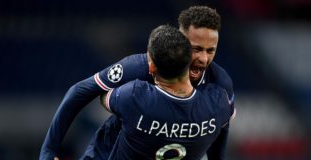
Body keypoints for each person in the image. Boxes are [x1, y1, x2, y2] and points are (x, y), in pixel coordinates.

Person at [40, 5, 235, 160]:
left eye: (211, 50)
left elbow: (221, 129)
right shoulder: (138, 68)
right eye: (197, 48)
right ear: (180, 40)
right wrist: (48, 151)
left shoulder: (219, 83)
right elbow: (79, 91)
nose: (203, 58)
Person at [98, 25, 233, 159]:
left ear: (152, 67)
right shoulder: (218, 102)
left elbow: (105, 96)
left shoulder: (134, 96)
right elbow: (227, 117)